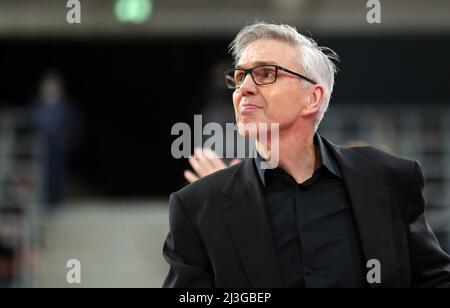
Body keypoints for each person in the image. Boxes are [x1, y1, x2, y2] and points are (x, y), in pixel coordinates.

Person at [163, 22, 450, 288]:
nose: (244, 89)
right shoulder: (198, 207)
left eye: (266, 74)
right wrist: (220, 215)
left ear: (312, 98)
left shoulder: (390, 180)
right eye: (239, 77)